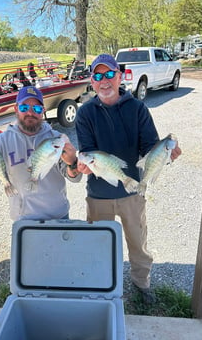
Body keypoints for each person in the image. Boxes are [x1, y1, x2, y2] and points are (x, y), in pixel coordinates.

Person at [76, 54, 181, 303]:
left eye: (109, 74)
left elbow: (149, 147)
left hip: (132, 193)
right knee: (99, 244)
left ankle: (142, 284)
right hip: (99, 195)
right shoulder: (85, 114)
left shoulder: (138, 108)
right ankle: (100, 284)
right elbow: (87, 150)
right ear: (92, 81)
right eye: (98, 76)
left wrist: (166, 155)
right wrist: (85, 166)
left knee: (138, 242)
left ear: (120, 76)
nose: (104, 81)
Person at [0, 86, 81, 221]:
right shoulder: (1, 141)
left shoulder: (56, 139)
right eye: (24, 108)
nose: (30, 113)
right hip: (23, 220)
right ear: (16, 109)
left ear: (43, 111)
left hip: (59, 216)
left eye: (37, 108)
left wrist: (73, 161)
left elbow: (75, 177)